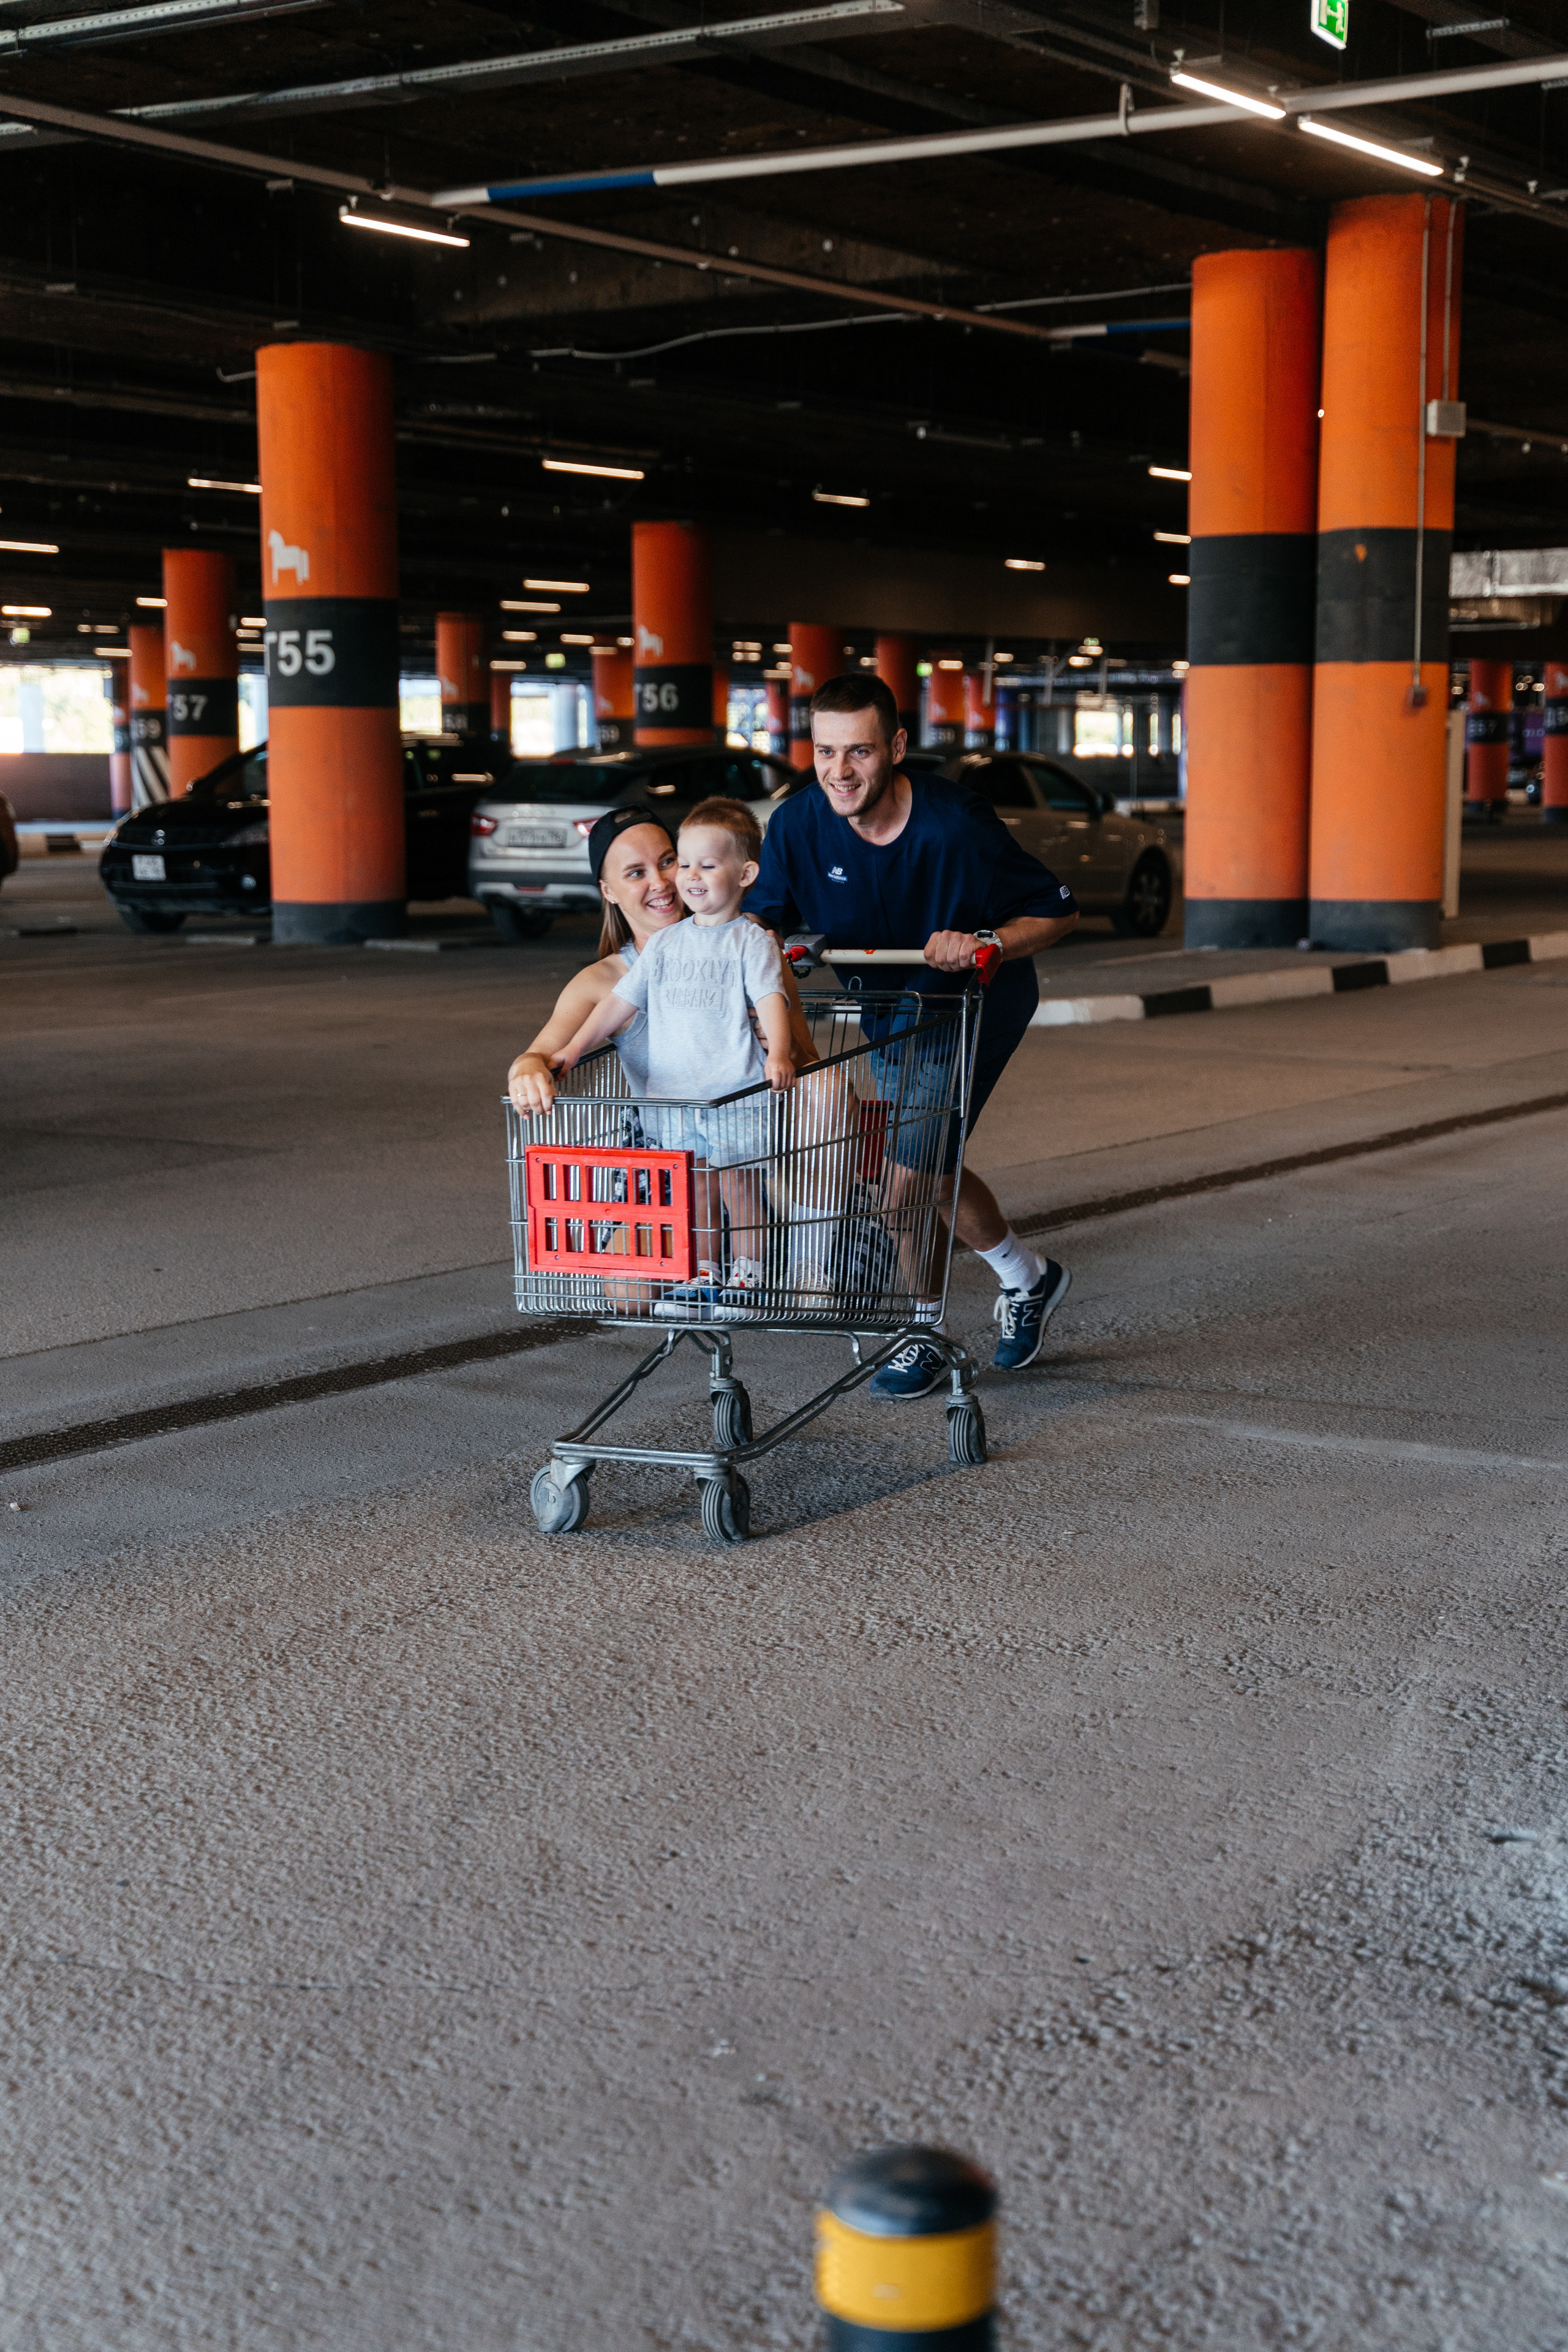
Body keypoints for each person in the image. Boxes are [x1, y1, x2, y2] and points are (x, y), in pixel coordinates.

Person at [744, 672, 1080, 1397]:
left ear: (895, 746)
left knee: (904, 1187)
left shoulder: (955, 825)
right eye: (826, 752)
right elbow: (764, 921)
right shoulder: (798, 824)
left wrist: (986, 941)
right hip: (889, 1009)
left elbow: (1056, 910)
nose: (840, 771)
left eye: (859, 752)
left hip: (969, 1003)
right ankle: (1030, 1278)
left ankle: (921, 1331)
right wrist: (780, 948)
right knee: (931, 1166)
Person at [555, 798, 796, 1319]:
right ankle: (704, 1273)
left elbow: (771, 998)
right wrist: (573, 1048)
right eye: (684, 864)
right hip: (678, 1102)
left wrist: (778, 1052)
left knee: (738, 1184)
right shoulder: (666, 947)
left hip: (733, 1093)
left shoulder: (750, 942)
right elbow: (618, 1004)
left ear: (745, 874)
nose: (685, 877)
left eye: (701, 865)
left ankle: (749, 1273)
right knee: (700, 1189)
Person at [506, 802, 816, 1119]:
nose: (661, 882)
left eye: (668, 862)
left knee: (830, 1090)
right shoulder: (603, 979)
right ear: (608, 891)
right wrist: (527, 1070)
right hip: (670, 1133)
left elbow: (811, 1068)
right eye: (636, 873)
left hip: (748, 1121)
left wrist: (783, 1049)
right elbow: (540, 1054)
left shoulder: (753, 947)